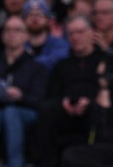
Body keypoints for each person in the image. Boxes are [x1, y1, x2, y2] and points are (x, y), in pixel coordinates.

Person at [0, 15, 47, 167]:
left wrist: (20, 96)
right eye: (8, 30)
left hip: (25, 112)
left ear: (26, 36)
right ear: (3, 36)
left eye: (17, 30)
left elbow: (40, 101)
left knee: (10, 112)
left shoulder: (37, 67)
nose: (12, 34)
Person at [37, 16, 105, 167]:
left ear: (92, 33)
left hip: (93, 108)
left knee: (98, 110)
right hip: (65, 111)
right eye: (71, 34)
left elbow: (110, 92)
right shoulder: (61, 65)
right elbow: (51, 94)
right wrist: (64, 103)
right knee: (46, 109)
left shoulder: (103, 61)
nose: (75, 37)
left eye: (80, 32)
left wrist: (90, 101)